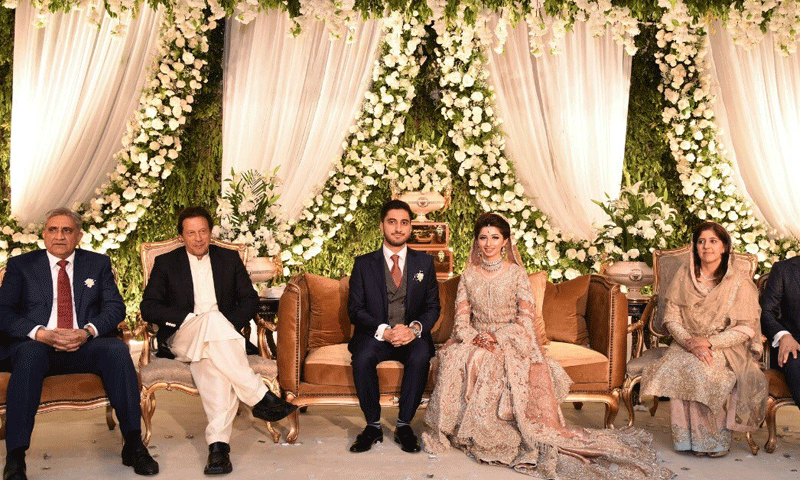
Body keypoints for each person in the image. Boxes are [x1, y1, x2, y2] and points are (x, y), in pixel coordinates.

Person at [423, 213, 671, 479]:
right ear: (476, 241)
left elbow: (524, 319)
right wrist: (476, 337)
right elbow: (461, 321)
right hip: (477, 339)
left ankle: (502, 430)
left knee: (495, 360)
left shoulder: (516, 274)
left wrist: (499, 338)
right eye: (483, 238)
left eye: (495, 237)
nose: (488, 243)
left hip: (511, 338)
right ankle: (471, 428)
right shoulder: (469, 276)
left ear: (505, 241)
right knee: (461, 357)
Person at [0, 208, 158, 480]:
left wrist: (87, 331)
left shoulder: (97, 264)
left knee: (117, 350)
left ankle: (133, 445)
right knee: (29, 355)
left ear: (79, 236)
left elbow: (115, 307)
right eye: (53, 230)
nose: (59, 236)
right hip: (38, 345)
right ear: (43, 235)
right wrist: (39, 333)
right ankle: (16, 458)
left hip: (84, 343)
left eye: (67, 230)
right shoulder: (21, 265)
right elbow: (3, 311)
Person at [140, 206, 296, 475]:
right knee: (211, 320)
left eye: (203, 231)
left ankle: (218, 449)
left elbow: (249, 300)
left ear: (210, 233)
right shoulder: (167, 263)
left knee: (213, 367)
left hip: (220, 339)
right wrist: (189, 318)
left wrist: (224, 325)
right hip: (183, 335)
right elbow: (149, 307)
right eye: (191, 233)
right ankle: (258, 395)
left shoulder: (228, 259)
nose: (198, 238)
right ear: (181, 236)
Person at [643, 221, 766, 456]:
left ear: (724, 247)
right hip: (686, 343)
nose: (706, 246)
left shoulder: (738, 282)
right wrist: (691, 343)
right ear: (695, 247)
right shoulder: (684, 276)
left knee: (705, 370)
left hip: (725, 345)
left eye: (712, 241)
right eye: (701, 241)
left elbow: (746, 328)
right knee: (679, 365)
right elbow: (671, 319)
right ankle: (687, 440)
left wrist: (710, 343)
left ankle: (713, 441)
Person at [347, 199, 440, 454]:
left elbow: (433, 307)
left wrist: (414, 329)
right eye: (392, 222)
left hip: (411, 336)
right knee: (362, 357)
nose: (398, 228)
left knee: (420, 356)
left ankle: (404, 425)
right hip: (375, 335)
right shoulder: (363, 264)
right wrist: (384, 331)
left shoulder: (425, 263)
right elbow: (355, 310)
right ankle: (372, 426)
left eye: (404, 223)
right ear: (382, 226)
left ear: (410, 227)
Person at [760, 254, 800, 407]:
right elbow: (766, 312)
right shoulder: (784, 269)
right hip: (794, 345)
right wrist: (784, 335)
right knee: (793, 360)